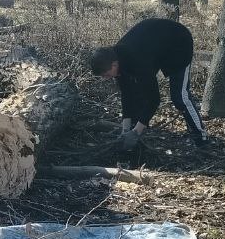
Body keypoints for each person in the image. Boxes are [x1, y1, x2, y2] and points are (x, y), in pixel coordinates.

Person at [88, 18, 207, 150]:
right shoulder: (117, 58)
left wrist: (136, 132)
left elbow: (155, 100)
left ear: (114, 64)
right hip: (157, 48)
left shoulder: (137, 62)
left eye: (106, 74)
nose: (106, 78)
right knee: (137, 92)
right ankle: (136, 129)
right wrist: (125, 128)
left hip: (179, 44)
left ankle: (201, 137)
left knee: (180, 97)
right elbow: (127, 94)